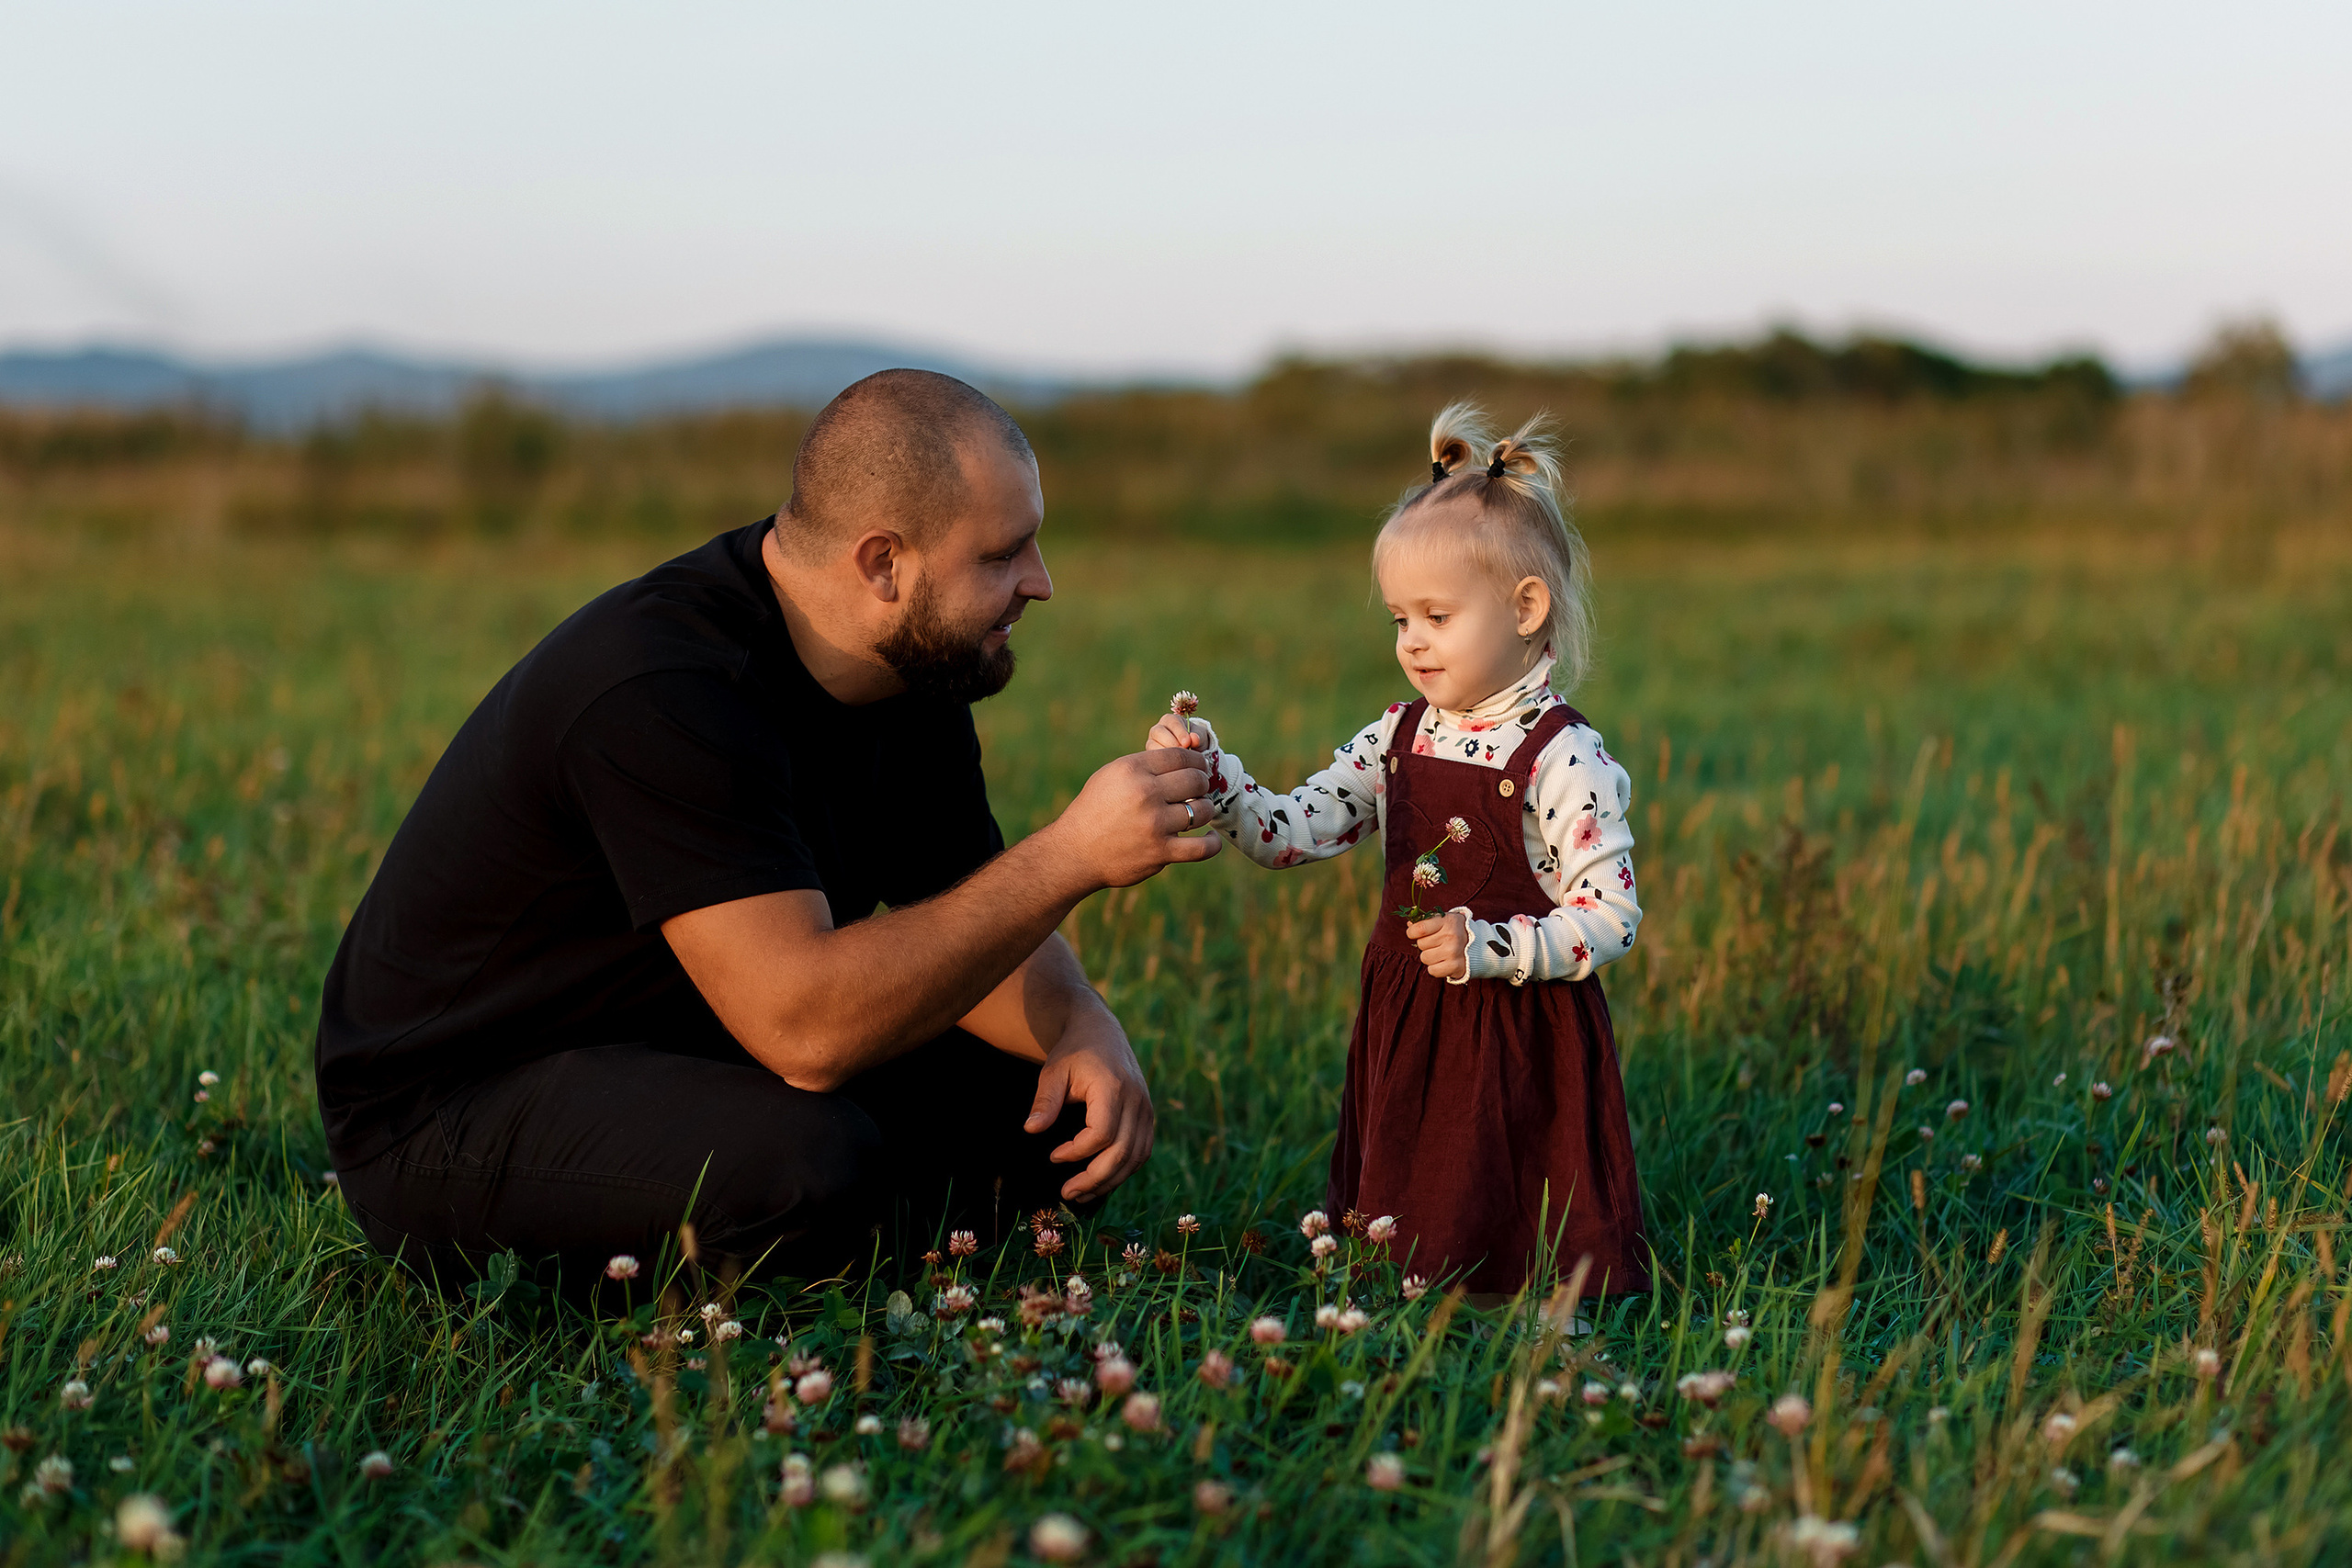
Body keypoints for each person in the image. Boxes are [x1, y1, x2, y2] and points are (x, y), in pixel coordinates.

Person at [317, 369, 1218, 1296]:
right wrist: (1070, 856)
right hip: (452, 1108)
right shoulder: (662, 686)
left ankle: (855, 1249)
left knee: (1044, 1115)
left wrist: (1080, 1021)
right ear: (882, 564)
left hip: (681, 1042)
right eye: (1001, 556)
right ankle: (829, 1261)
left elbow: (961, 900)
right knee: (806, 1167)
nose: (1041, 582)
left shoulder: (915, 667)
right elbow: (806, 1030)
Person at [1147, 404, 1648, 1302]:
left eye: (1437, 615)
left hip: (1519, 1023)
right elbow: (1291, 832)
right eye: (1398, 618)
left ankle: (1548, 1328)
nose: (1410, 640)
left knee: (1522, 1187)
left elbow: (1608, 917)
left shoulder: (1565, 756)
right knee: (1413, 1192)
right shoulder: (1395, 737)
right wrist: (1218, 779)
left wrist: (1492, 947)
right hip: (1409, 1012)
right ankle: (1402, 1317)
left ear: (1526, 608)